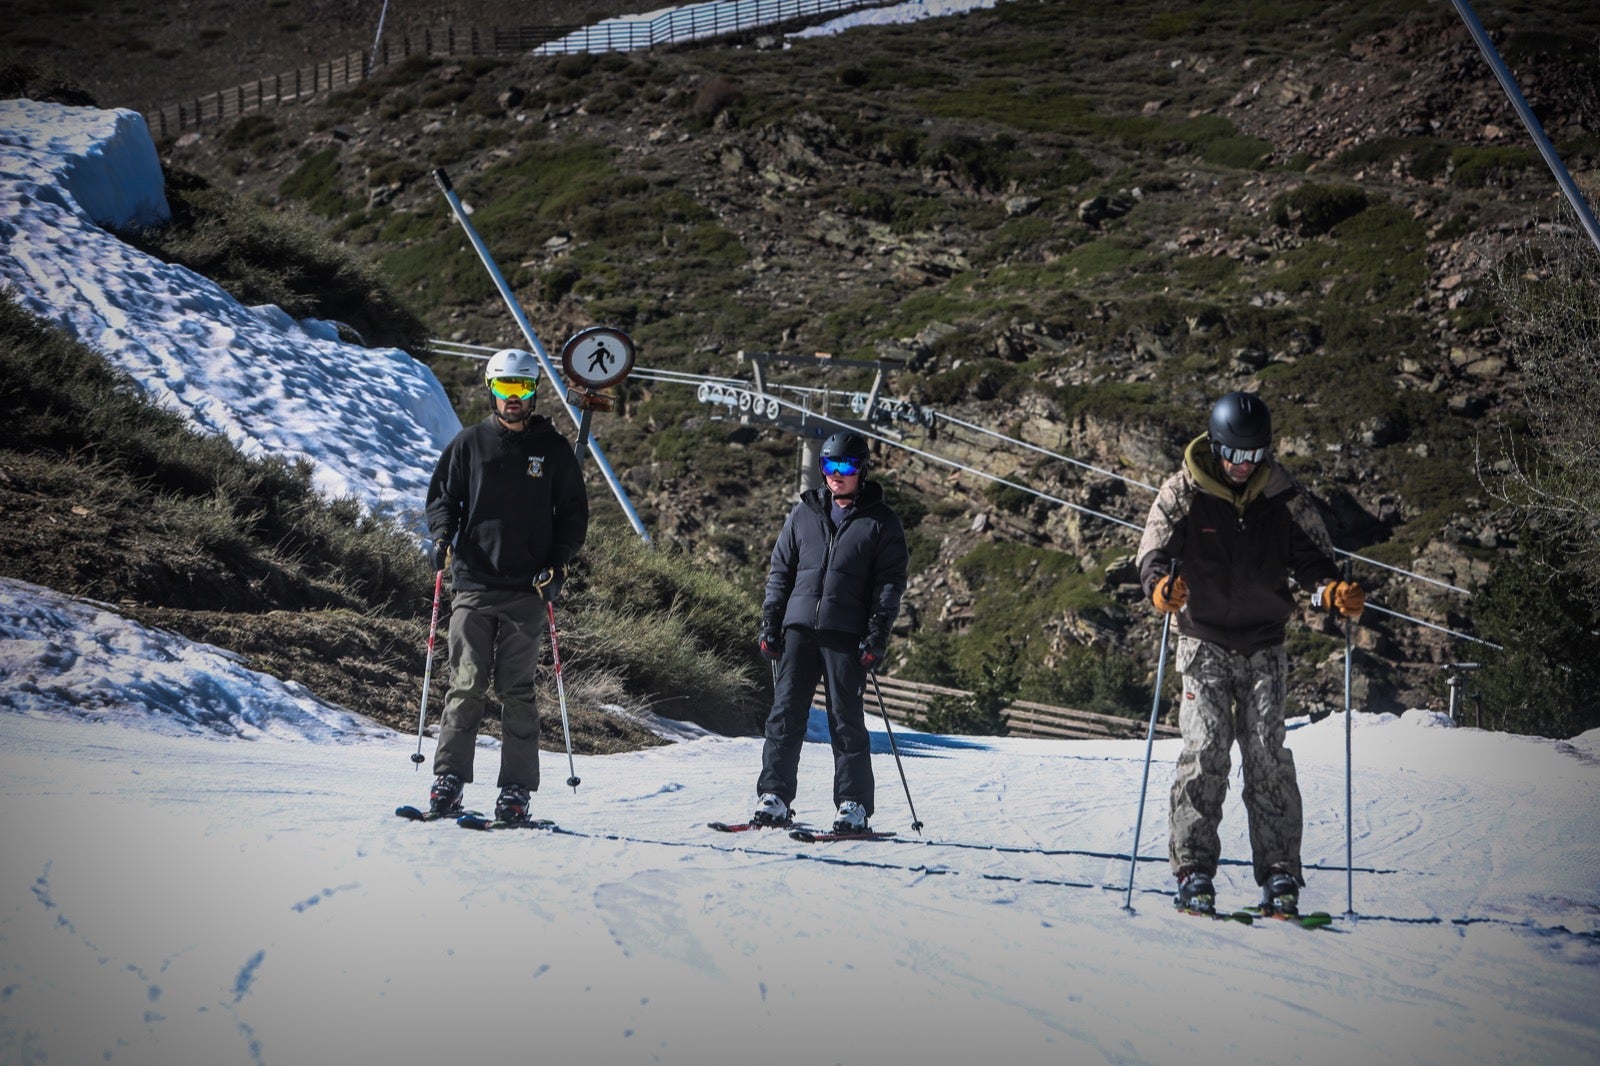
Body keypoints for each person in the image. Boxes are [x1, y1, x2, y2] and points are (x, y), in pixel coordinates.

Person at [1136, 391, 1364, 916]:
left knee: (1266, 751)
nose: (1243, 466)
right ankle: (1193, 869)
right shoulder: (1183, 492)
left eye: (1254, 455)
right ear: (1216, 448)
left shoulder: (1281, 496)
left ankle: (1279, 871)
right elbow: (1153, 551)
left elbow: (1312, 559)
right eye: (1235, 455)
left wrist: (1331, 590)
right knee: (1207, 747)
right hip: (1203, 638)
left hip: (1265, 642)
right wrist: (1158, 587)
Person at [423, 348, 589, 823]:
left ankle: (515, 792)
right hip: (473, 583)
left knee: (516, 691)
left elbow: (573, 515)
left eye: (520, 388)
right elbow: (443, 499)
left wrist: (557, 565)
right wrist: (441, 537)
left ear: (534, 390)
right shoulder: (469, 443)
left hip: (527, 591)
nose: (512, 398)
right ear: (491, 389)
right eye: (503, 388)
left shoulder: (553, 450)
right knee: (466, 684)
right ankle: (449, 782)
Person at [752, 429, 909, 834]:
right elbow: (780, 571)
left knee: (846, 721)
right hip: (799, 629)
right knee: (785, 716)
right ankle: (774, 797)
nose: (836, 474)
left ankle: (853, 805)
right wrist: (772, 619)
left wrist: (877, 633)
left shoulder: (881, 522)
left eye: (846, 466)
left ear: (862, 469)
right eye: (828, 465)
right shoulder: (803, 513)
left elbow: (889, 584)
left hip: (846, 633)